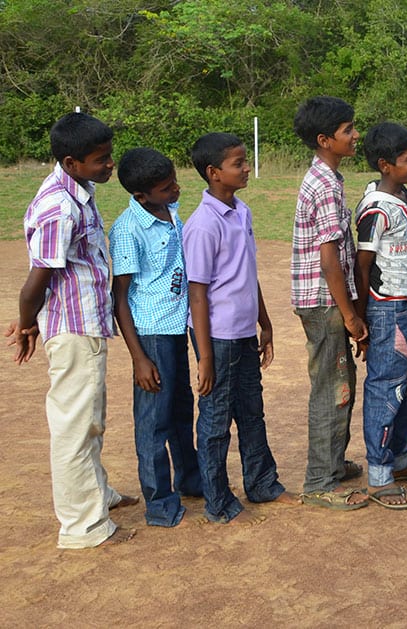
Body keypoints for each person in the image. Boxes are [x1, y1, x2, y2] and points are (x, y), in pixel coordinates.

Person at [7, 112, 137, 548]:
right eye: (100, 160)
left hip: (87, 322)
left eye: (109, 156)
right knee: (74, 426)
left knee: (90, 419)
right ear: (70, 161)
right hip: (73, 327)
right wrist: (27, 324)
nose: (109, 166)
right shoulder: (59, 207)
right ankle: (82, 527)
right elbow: (36, 281)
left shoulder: (80, 189)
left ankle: (96, 494)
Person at [184, 132, 296, 523]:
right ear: (214, 173)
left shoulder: (242, 212)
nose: (247, 168)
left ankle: (262, 483)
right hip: (217, 338)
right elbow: (196, 293)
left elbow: (247, 272)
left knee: (252, 411)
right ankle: (218, 500)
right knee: (215, 421)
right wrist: (206, 356)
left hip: (245, 332)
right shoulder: (201, 225)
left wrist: (264, 321)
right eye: (238, 163)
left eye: (245, 161)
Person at [109, 147, 202, 527]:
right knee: (154, 421)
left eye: (175, 182)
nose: (177, 190)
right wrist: (139, 358)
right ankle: (160, 503)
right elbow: (120, 298)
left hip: (175, 327)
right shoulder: (128, 230)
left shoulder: (169, 213)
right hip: (150, 335)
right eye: (167, 189)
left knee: (181, 410)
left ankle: (190, 479)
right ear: (141, 196)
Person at [291, 96, 368, 510]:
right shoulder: (322, 186)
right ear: (324, 139)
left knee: (341, 383)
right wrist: (351, 314)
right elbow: (328, 259)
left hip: (328, 300)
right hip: (324, 303)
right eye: (347, 131)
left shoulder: (330, 179)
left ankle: (333, 463)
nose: (355, 136)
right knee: (331, 388)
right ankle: (320, 479)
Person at [353, 122, 407, 510]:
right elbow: (362, 267)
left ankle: (399, 456)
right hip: (386, 308)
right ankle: (379, 474)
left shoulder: (404, 197)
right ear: (384, 164)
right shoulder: (376, 208)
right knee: (386, 385)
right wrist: (361, 320)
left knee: (406, 383)